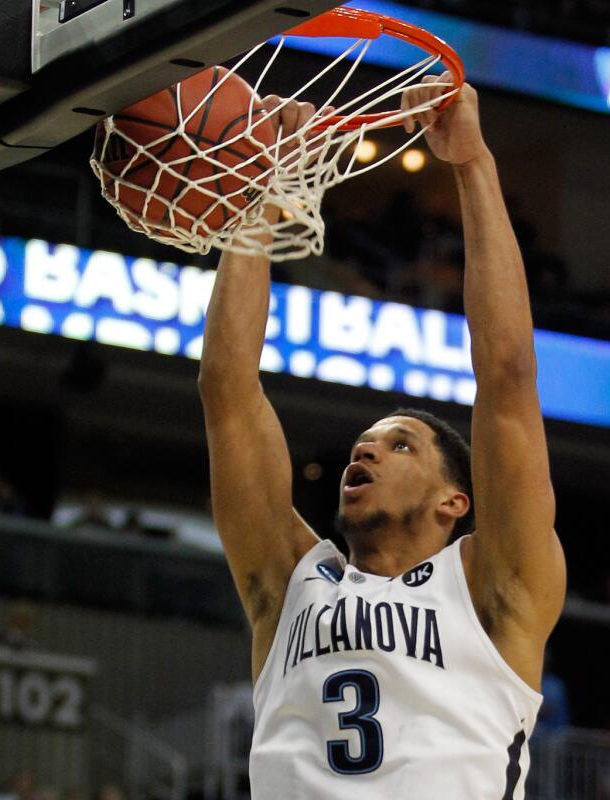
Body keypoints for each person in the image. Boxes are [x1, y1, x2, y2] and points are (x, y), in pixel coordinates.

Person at [197, 75, 565, 798]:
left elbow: (509, 376)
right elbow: (227, 390)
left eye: (401, 446)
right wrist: (266, 192)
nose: (364, 451)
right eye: (367, 441)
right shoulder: (290, 581)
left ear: (455, 502)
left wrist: (472, 165)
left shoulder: (495, 586)